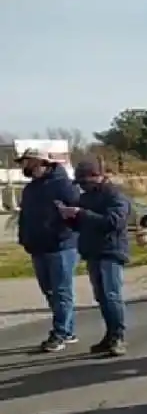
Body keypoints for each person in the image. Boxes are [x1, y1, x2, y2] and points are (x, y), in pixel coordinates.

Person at [57, 161, 130, 356]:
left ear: (96, 176)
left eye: (84, 181)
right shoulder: (86, 198)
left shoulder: (114, 195)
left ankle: (118, 336)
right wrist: (69, 217)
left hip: (111, 250)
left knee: (111, 294)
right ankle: (110, 335)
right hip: (92, 251)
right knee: (102, 297)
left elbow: (114, 222)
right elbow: (82, 225)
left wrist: (82, 213)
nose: (81, 186)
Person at [16, 148, 80, 352]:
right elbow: (25, 217)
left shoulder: (63, 185)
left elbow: (77, 211)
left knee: (62, 291)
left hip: (61, 247)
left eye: (27, 162)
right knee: (50, 291)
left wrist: (62, 232)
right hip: (38, 247)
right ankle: (68, 330)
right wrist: (24, 238)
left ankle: (59, 333)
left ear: (40, 162)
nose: (24, 167)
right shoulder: (30, 189)